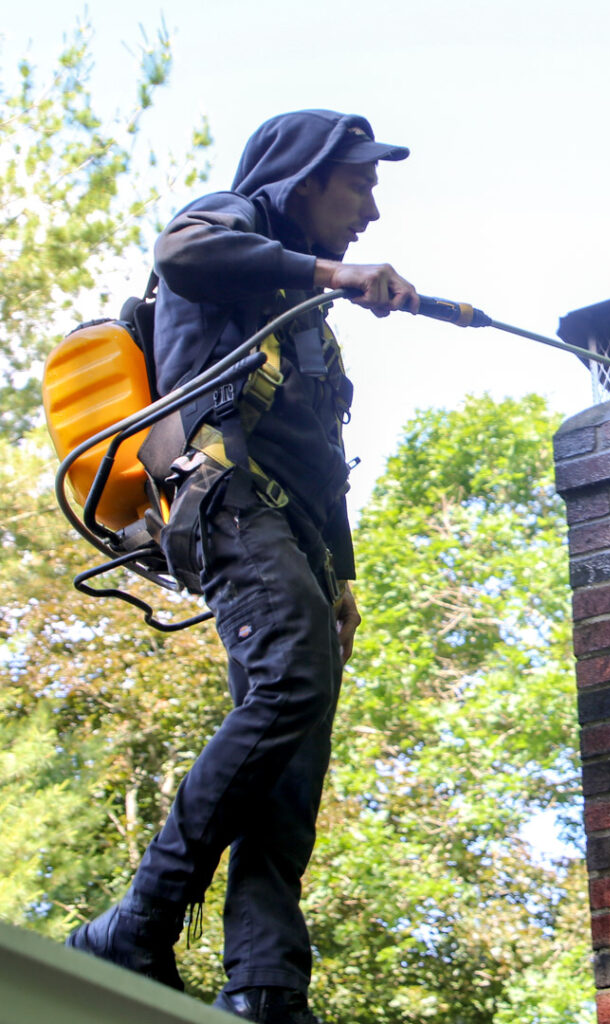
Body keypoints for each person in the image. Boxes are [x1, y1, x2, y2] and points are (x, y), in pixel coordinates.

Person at [65, 109, 419, 1024]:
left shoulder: (309, 325)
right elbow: (182, 253)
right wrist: (331, 273)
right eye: (361, 183)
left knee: (293, 752)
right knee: (289, 686)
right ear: (305, 177)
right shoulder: (227, 223)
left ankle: (265, 986)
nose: (372, 208)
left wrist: (341, 578)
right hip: (223, 503)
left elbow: (321, 459)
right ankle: (137, 922)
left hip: (294, 531)